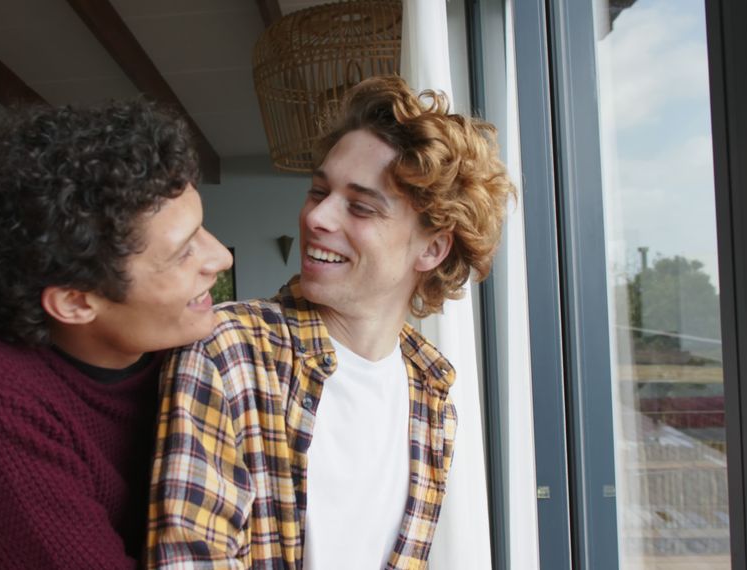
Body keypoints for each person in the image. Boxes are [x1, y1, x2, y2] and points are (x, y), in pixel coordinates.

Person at [147, 75, 515, 568]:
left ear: (432, 248)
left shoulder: (433, 395)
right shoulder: (227, 351)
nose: (318, 216)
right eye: (319, 191)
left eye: (360, 207)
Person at [0, 99, 233, 569]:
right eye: (184, 252)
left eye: (203, 229)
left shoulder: (191, 348)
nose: (221, 257)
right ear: (76, 302)